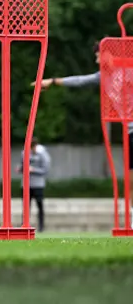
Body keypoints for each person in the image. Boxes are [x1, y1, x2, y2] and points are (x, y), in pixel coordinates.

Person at [33, 41, 133, 227]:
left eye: (98, 56)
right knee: (131, 172)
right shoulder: (103, 75)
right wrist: (53, 81)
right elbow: (80, 80)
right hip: (130, 128)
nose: (96, 61)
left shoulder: (127, 69)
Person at [16, 137, 51, 232]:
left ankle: (41, 226)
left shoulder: (42, 154)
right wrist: (20, 169)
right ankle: (24, 225)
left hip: (38, 184)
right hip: (26, 184)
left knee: (40, 206)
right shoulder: (24, 153)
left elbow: (45, 169)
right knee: (26, 207)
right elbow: (22, 165)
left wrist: (33, 170)